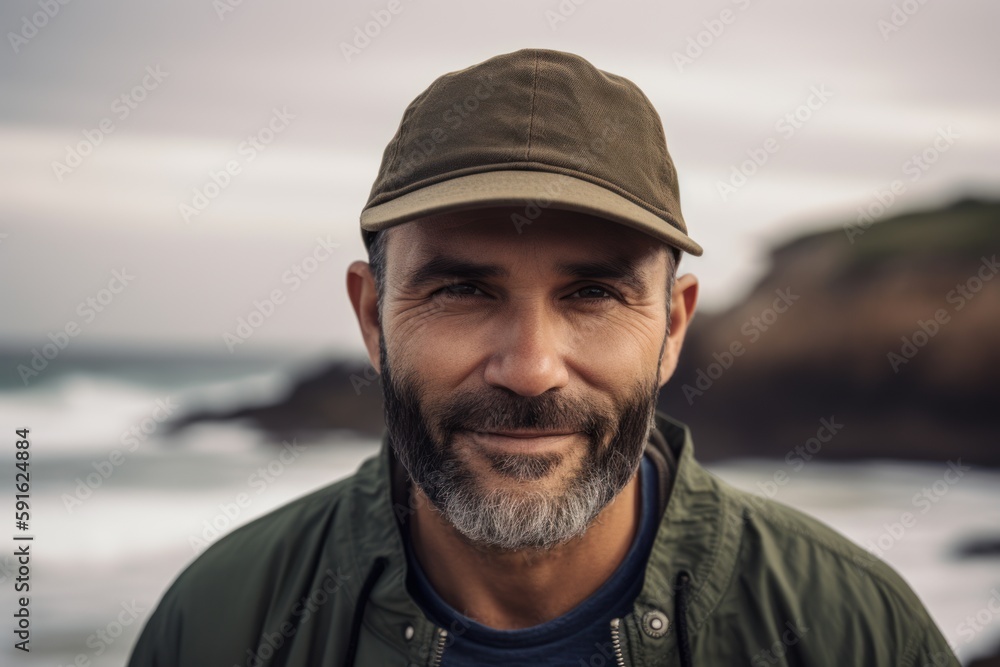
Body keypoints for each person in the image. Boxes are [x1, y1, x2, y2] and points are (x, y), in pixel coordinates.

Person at [128, 48, 959, 667]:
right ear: (372, 316)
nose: (530, 370)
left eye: (592, 294)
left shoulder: (853, 630)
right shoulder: (220, 626)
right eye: (463, 290)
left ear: (673, 328)